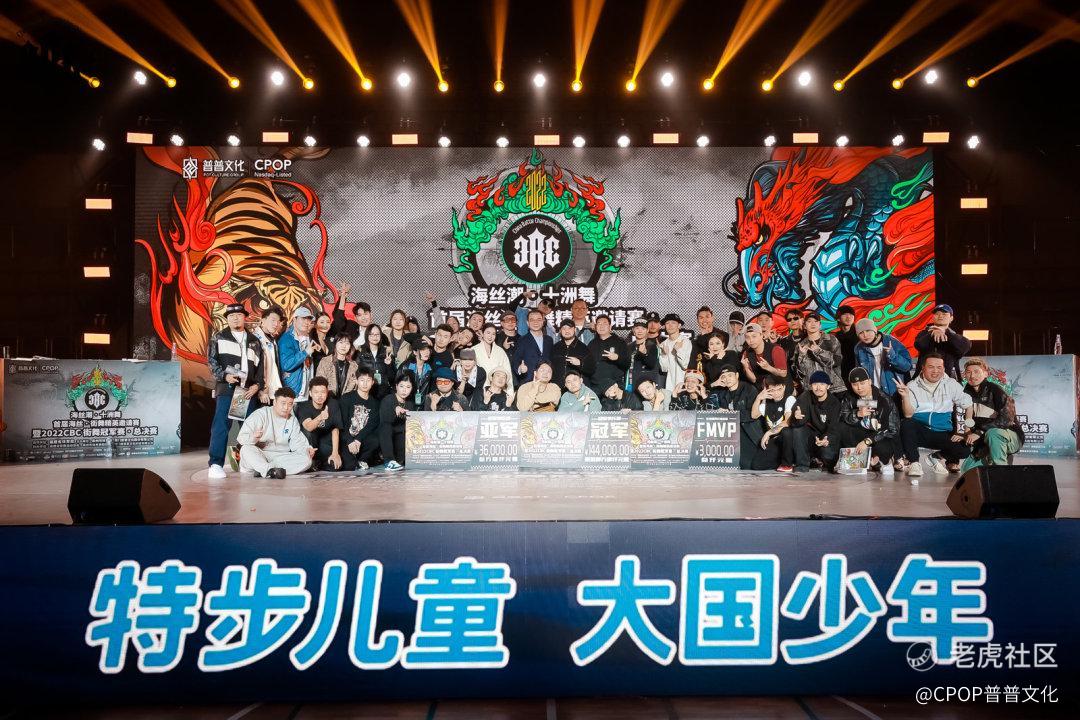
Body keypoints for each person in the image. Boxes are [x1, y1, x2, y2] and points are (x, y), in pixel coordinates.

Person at [207, 303, 264, 479]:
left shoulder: (254, 340)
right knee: (221, 426)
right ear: (227, 319)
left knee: (249, 429)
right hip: (228, 389)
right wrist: (224, 376)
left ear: (245, 317)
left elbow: (261, 366)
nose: (235, 318)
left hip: (246, 391)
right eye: (231, 316)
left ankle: (249, 463)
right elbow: (211, 361)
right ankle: (215, 464)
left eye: (239, 315)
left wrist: (257, 385)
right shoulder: (219, 337)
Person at [896, 351, 973, 477]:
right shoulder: (912, 385)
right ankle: (914, 463)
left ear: (944, 369)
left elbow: (968, 405)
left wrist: (966, 430)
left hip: (943, 433)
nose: (935, 371)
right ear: (923, 368)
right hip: (921, 432)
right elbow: (908, 414)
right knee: (907, 423)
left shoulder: (951, 384)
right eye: (931, 367)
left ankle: (935, 457)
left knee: (965, 450)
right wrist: (905, 396)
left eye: (939, 367)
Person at [961, 357, 1025, 470]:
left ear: (985, 374)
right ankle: (993, 455)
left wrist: (980, 432)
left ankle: (1001, 471)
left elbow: (1007, 419)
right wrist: (966, 433)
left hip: (1010, 435)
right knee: (967, 470)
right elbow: (969, 419)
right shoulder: (965, 393)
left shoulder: (996, 390)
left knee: (993, 433)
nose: (972, 375)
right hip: (985, 440)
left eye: (976, 371)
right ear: (965, 375)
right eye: (968, 372)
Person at [237, 387, 314, 479]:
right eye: (283, 403)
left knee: (306, 460)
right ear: (274, 402)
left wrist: (307, 450)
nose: (286, 407)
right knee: (246, 449)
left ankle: (264, 470)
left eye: (290, 404)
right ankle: (267, 469)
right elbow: (241, 438)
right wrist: (253, 438)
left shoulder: (292, 420)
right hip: (260, 454)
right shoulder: (260, 414)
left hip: (280, 456)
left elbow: (298, 443)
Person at [838, 367, 901, 475]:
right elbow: (843, 416)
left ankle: (884, 461)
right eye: (855, 384)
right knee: (842, 428)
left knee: (883, 448)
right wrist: (857, 414)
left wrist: (867, 441)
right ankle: (855, 460)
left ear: (870, 382)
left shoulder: (883, 399)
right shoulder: (849, 397)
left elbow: (890, 429)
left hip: (880, 436)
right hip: (862, 432)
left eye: (862, 383)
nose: (859, 388)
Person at [707, 364, 759, 469]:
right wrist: (714, 384)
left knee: (747, 465)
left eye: (730, 375)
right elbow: (705, 398)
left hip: (748, 431)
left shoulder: (749, 389)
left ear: (737, 375)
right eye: (724, 377)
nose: (727, 379)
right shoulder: (722, 392)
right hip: (730, 434)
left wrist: (731, 414)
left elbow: (752, 415)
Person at [790, 370, 841, 472]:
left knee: (828, 455)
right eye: (815, 384)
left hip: (826, 438)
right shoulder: (806, 396)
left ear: (828, 386)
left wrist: (827, 439)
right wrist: (796, 417)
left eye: (822, 384)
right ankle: (802, 465)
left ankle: (822, 462)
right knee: (797, 430)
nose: (818, 388)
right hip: (812, 436)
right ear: (811, 386)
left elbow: (834, 427)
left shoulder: (834, 403)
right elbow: (798, 420)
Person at [854, 318, 913, 397]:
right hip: (873, 393)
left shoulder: (891, 341)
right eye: (861, 333)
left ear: (875, 331)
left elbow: (907, 367)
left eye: (868, 331)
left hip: (895, 393)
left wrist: (892, 355)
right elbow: (860, 374)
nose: (865, 335)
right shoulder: (859, 348)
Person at [295, 377, 345, 471]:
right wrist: (320, 417)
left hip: (325, 441)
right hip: (311, 442)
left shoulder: (333, 404)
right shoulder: (304, 406)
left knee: (337, 466)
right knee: (308, 433)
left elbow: (335, 429)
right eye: (316, 392)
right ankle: (311, 461)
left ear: (327, 392)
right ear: (310, 393)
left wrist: (335, 453)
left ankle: (319, 463)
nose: (320, 395)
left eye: (323, 392)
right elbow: (308, 427)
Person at [750, 375, 797, 471]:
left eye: (779, 389)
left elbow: (787, 422)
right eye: (772, 390)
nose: (776, 393)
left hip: (789, 439)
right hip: (775, 440)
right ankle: (782, 460)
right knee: (757, 465)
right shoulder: (766, 401)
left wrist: (769, 433)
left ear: (784, 387)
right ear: (767, 390)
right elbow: (754, 415)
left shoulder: (790, 399)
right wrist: (758, 398)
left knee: (786, 431)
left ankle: (787, 464)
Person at [338, 367, 381, 470]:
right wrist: (350, 441)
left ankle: (362, 459)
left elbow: (371, 425)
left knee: (375, 439)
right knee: (349, 466)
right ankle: (354, 460)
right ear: (356, 381)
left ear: (372, 382)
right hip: (346, 438)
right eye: (362, 380)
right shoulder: (346, 398)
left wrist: (358, 439)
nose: (365, 383)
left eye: (368, 380)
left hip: (362, 439)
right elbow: (342, 423)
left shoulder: (375, 403)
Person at [914, 303, 972, 380]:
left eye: (944, 314)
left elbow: (965, 347)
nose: (940, 316)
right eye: (937, 314)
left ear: (951, 318)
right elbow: (919, 345)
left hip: (949, 380)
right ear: (933, 318)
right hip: (924, 380)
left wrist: (944, 332)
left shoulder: (955, 337)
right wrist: (932, 333)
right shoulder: (924, 334)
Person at [792, 312, 845, 394]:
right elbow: (799, 373)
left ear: (820, 325)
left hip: (833, 388)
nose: (813, 324)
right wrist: (801, 356)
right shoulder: (801, 346)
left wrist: (819, 351)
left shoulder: (831, 340)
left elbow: (837, 361)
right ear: (805, 326)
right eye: (809, 321)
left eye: (816, 321)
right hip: (811, 390)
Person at [380, 373, 416, 472]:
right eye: (401, 386)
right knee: (386, 427)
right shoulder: (388, 399)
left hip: (400, 438)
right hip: (386, 438)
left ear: (412, 388)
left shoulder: (410, 404)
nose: (404, 390)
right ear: (396, 386)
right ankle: (389, 461)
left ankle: (399, 460)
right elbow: (384, 422)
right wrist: (395, 411)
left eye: (408, 387)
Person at [278, 306, 316, 400]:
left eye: (308, 319)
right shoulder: (286, 339)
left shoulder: (308, 338)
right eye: (303, 318)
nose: (306, 322)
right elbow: (286, 365)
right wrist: (305, 352)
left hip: (306, 392)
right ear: (294, 319)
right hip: (292, 392)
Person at [587, 315, 631, 396]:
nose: (601, 326)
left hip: (614, 386)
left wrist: (617, 358)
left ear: (610, 327)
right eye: (599, 324)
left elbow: (627, 363)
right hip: (595, 386)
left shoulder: (620, 342)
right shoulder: (591, 344)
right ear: (596, 327)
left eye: (605, 323)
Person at [740, 322, 788, 389]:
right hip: (763, 389)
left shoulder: (776, 349)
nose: (751, 340)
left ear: (761, 335)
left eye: (754, 336)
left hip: (781, 389)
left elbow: (783, 374)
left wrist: (769, 367)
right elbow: (753, 380)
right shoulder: (746, 353)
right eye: (747, 337)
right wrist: (746, 368)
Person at [252, 306, 284, 406]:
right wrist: (260, 389)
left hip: (272, 391)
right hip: (259, 392)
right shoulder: (254, 339)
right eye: (273, 320)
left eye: (278, 321)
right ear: (263, 320)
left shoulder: (272, 340)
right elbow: (252, 367)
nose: (276, 324)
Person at [512, 309, 554, 383]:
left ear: (543, 321)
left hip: (546, 382)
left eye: (539, 319)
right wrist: (520, 369)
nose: (535, 322)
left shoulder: (549, 340)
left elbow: (552, 360)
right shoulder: (521, 340)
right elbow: (515, 360)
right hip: (528, 382)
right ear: (527, 323)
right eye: (532, 320)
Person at [551, 318, 595, 387]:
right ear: (560, 331)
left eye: (569, 328)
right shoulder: (555, 348)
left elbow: (591, 369)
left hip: (576, 388)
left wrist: (580, 363)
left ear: (574, 330)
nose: (567, 331)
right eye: (564, 328)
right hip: (557, 388)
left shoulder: (583, 348)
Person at [473, 323, 515, 393]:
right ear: (482, 334)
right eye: (488, 333)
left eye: (493, 334)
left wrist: (509, 393)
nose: (490, 336)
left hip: (497, 390)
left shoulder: (500, 351)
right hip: (478, 389)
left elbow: (507, 372)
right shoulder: (474, 350)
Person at [355, 324, 395, 396]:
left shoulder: (387, 352)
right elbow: (356, 374)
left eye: (377, 334)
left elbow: (392, 378)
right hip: (366, 392)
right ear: (367, 335)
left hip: (384, 393)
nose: (375, 337)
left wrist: (389, 365)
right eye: (371, 334)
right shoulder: (360, 352)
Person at [658, 313, 691, 394]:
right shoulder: (663, 344)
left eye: (673, 323)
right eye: (667, 323)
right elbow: (664, 369)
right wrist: (664, 354)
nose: (670, 325)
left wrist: (678, 350)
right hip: (669, 385)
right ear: (664, 326)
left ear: (679, 325)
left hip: (684, 384)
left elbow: (685, 365)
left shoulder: (685, 341)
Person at [626, 318, 660, 392]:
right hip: (631, 383)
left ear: (647, 330)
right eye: (637, 328)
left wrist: (644, 354)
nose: (640, 331)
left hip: (645, 385)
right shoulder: (629, 346)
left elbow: (651, 365)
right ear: (633, 330)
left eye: (643, 328)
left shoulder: (652, 346)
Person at [402, 340, 433, 406]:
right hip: (408, 405)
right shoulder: (406, 368)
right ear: (415, 352)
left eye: (428, 349)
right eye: (423, 350)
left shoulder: (429, 369)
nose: (427, 352)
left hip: (424, 406)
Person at [833, 304, 859, 382]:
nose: (848, 317)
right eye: (845, 314)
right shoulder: (836, 337)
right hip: (842, 375)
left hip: (859, 372)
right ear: (838, 318)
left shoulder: (860, 333)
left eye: (851, 314)